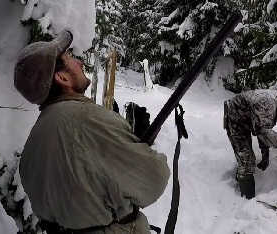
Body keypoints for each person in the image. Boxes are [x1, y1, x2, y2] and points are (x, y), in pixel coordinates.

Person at [14, 30, 170, 233]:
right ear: (62, 77)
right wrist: (147, 155)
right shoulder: (87, 118)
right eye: (69, 58)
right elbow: (153, 178)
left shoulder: (32, 144)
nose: (79, 63)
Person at [224, 85, 277, 199]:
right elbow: (263, 131)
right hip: (235, 121)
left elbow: (261, 127)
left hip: (245, 120)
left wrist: (265, 154)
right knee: (247, 161)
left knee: (247, 159)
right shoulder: (268, 102)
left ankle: (241, 183)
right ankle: (245, 200)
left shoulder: (275, 102)